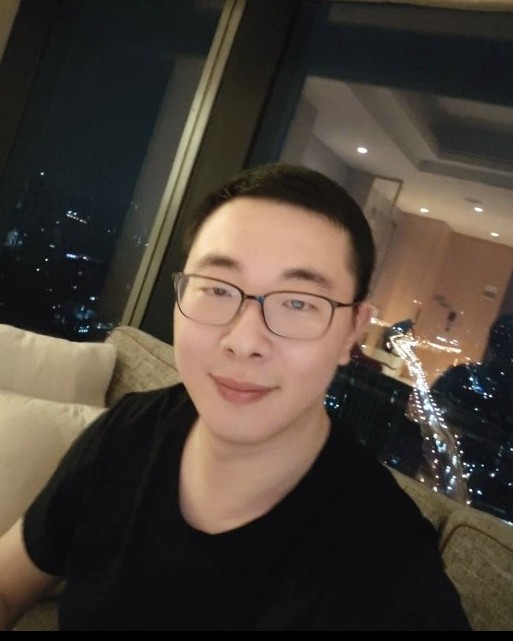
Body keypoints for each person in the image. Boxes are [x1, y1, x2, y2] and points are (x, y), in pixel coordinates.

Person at [0, 163, 471, 631]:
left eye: (298, 302)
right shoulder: (126, 431)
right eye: (217, 289)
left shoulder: (386, 572)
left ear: (352, 331)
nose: (244, 341)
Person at [431, 313, 513, 522]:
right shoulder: (464, 379)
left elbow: (426, 419)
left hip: (448, 486)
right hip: (468, 495)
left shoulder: (461, 377)